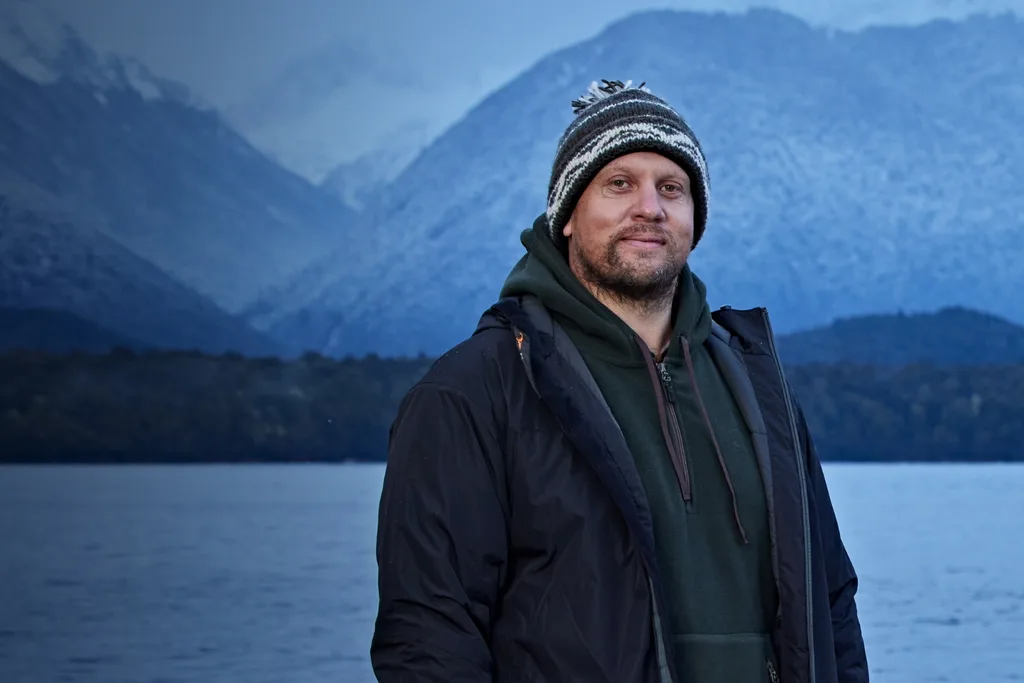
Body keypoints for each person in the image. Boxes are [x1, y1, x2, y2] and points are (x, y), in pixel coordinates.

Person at [370, 78, 869, 683]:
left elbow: (832, 604)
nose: (650, 208)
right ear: (567, 217)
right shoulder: (475, 391)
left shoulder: (760, 389)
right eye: (618, 184)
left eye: (672, 188)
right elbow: (429, 635)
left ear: (695, 218)